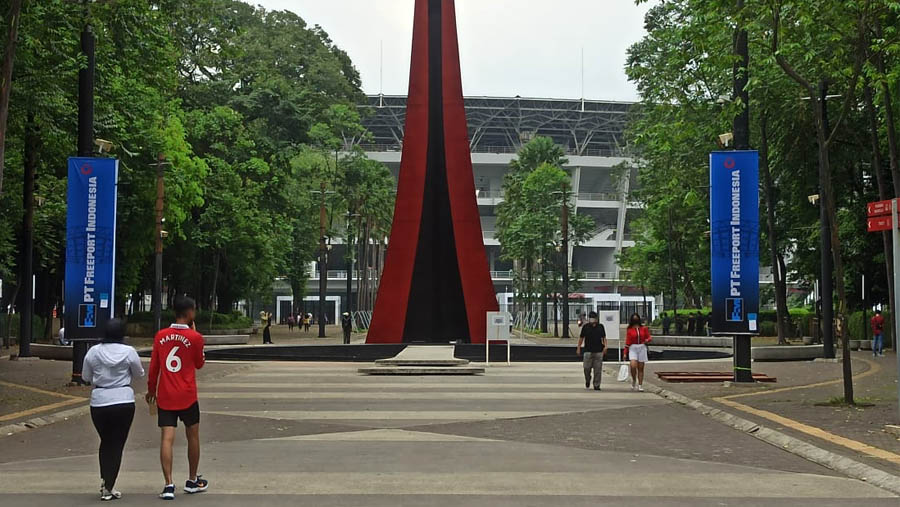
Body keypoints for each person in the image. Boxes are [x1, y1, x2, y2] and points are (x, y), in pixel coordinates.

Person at [146, 296, 209, 500]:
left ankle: (168, 484)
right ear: (190, 313)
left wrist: (151, 391)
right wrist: (195, 334)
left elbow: (154, 367)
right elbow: (199, 363)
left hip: (166, 394)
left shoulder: (161, 336)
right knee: (193, 436)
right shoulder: (195, 337)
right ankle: (192, 480)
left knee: (167, 438)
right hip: (187, 394)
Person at [82, 319, 144, 501]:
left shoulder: (93, 352)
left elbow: (85, 376)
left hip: (99, 401)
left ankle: (105, 480)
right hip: (123, 400)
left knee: (106, 441)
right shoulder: (129, 352)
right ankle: (108, 486)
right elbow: (139, 373)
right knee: (117, 444)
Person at [576, 311, 607, 391]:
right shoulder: (585, 327)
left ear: (596, 319)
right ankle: (588, 379)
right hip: (588, 351)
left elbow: (604, 338)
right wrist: (578, 347)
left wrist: (605, 347)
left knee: (598, 370)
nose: (592, 320)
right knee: (586, 368)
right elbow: (581, 338)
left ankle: (596, 384)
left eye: (593, 318)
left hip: (598, 351)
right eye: (591, 318)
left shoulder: (600, 327)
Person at [625, 313, 651, 392]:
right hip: (633, 347)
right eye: (634, 318)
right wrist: (625, 352)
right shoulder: (629, 329)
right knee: (633, 365)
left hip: (642, 347)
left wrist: (647, 340)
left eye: (636, 318)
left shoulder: (644, 328)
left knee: (641, 367)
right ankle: (634, 379)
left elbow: (649, 337)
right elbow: (627, 341)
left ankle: (640, 385)